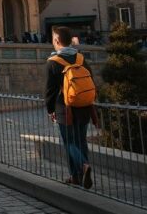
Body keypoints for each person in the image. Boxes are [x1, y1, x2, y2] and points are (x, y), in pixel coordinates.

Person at [45, 26, 96, 189]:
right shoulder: (80, 58)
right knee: (81, 140)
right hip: (84, 105)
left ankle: (83, 165)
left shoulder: (53, 62)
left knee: (69, 142)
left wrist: (50, 109)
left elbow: (50, 90)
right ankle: (76, 177)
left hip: (65, 108)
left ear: (56, 40)